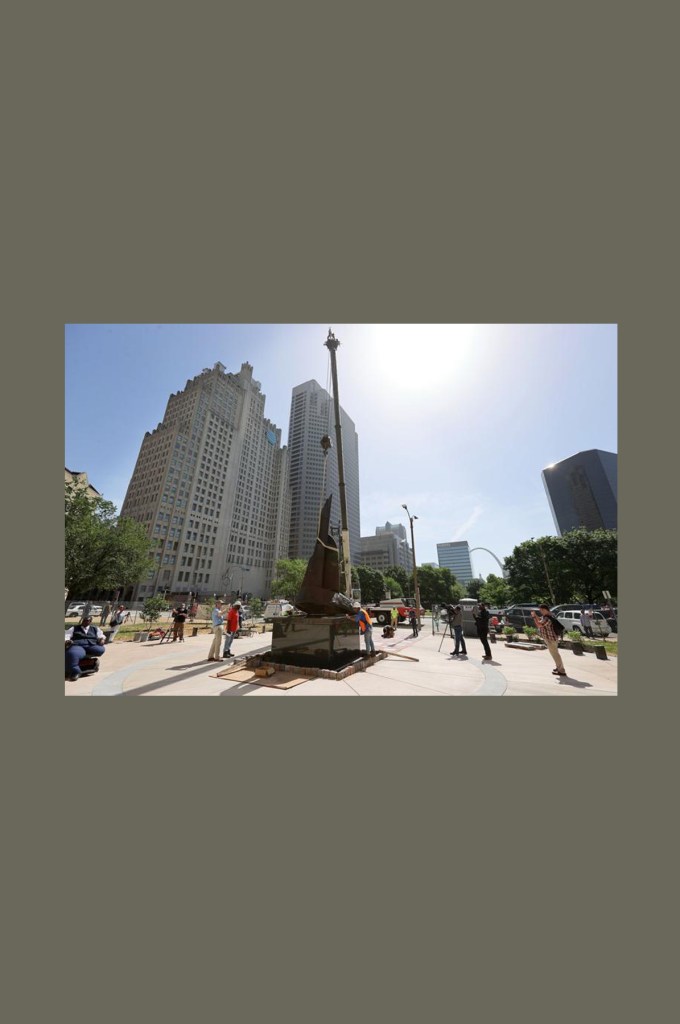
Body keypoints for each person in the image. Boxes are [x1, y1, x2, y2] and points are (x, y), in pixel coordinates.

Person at [65, 615, 106, 681]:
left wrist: (102, 639)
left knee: (101, 649)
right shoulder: (74, 628)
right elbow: (67, 635)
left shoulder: (95, 628)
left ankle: (91, 663)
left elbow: (101, 635)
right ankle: (76, 672)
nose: (85, 622)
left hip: (91, 645)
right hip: (78, 645)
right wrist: (67, 640)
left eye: (87, 621)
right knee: (72, 654)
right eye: (84, 620)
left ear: (90, 622)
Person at [531, 605, 567, 677]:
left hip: (551, 639)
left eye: (541, 610)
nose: (540, 612)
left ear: (544, 610)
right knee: (555, 654)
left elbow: (539, 625)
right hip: (552, 638)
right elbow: (540, 620)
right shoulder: (549, 616)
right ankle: (558, 667)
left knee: (555, 654)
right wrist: (536, 616)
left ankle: (561, 670)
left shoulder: (547, 618)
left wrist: (534, 617)